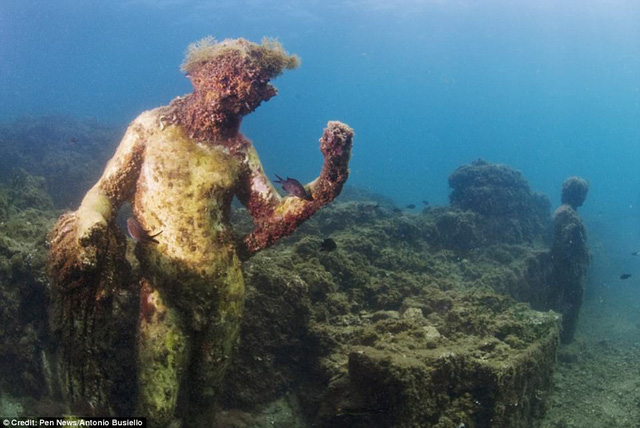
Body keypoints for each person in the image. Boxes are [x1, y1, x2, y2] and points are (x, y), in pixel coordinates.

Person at [48, 37, 353, 426]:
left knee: (203, 406)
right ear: (211, 76)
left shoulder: (239, 152)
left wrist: (328, 180)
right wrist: (91, 219)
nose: (260, 94)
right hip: (162, 293)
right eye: (253, 81)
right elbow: (107, 191)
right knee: (156, 410)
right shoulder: (152, 128)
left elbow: (273, 215)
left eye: (263, 85)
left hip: (224, 295)